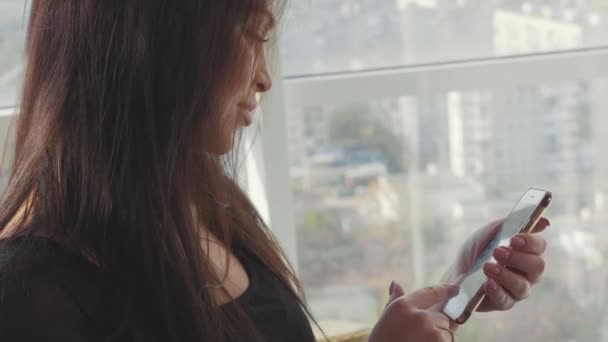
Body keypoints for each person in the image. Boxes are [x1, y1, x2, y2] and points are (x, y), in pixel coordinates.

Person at [0, 1, 550, 341]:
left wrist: (447, 295)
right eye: (252, 34)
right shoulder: (29, 299)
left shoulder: (202, 197)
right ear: (158, 41)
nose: (265, 77)